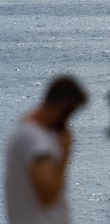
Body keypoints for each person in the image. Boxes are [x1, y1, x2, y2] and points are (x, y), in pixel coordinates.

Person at [5, 75, 88, 224]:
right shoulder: (36, 141)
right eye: (69, 113)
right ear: (62, 106)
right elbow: (47, 195)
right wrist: (66, 153)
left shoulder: (23, 130)